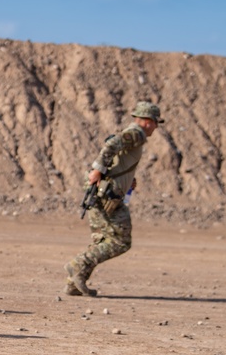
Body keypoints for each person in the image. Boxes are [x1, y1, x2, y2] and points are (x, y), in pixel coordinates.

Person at [64, 101, 164, 297]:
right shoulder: (137, 133)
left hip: (110, 194)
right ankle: (78, 265)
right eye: (155, 122)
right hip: (107, 195)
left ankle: (74, 283)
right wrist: (97, 170)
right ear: (147, 121)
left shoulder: (136, 134)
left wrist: (128, 180)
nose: (156, 127)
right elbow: (111, 144)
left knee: (101, 239)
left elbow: (119, 159)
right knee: (120, 242)